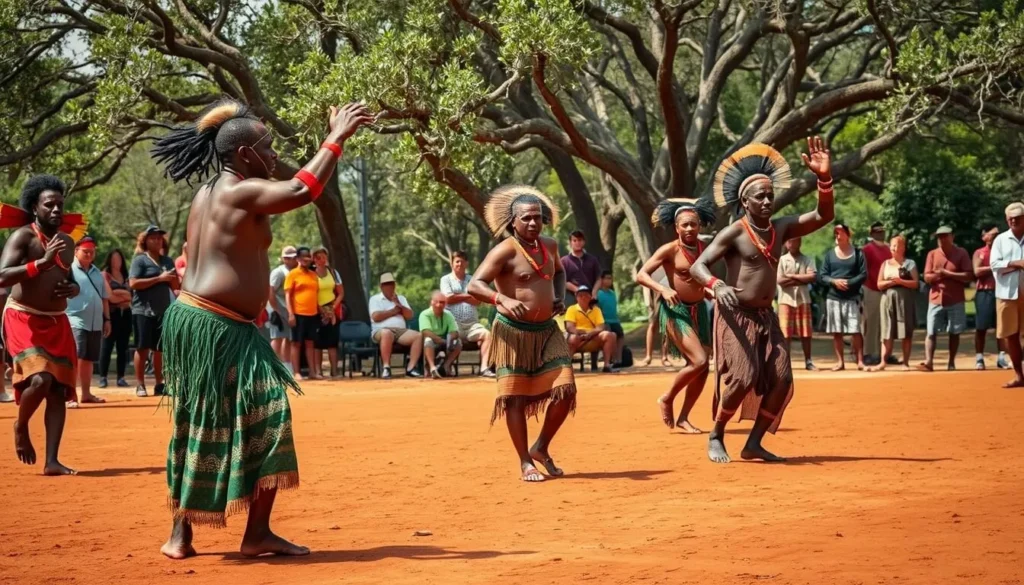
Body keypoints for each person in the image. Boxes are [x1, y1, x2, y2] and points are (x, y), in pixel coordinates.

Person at [150, 99, 372, 559]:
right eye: (268, 148)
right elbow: (300, 190)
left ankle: (187, 535)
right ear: (246, 153)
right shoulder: (237, 190)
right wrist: (337, 137)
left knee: (201, 419)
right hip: (214, 325)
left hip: (209, 321)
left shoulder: (212, 191)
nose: (274, 156)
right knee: (269, 415)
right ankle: (249, 534)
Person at [689, 137, 834, 463]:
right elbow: (698, 266)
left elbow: (822, 216)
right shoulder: (735, 232)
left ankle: (753, 443)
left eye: (771, 195)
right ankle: (717, 433)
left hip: (766, 316)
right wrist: (716, 285)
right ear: (745, 201)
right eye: (761, 196)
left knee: (781, 379)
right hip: (735, 316)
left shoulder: (781, 229)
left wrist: (823, 178)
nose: (768, 201)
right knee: (743, 376)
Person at [468, 185, 576, 482]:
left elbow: (560, 272)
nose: (532, 223)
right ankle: (525, 461)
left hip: (547, 330)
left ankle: (541, 447)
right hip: (513, 333)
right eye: (526, 218)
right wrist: (500, 299)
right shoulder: (504, 250)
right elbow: (474, 285)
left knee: (566, 389)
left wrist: (558, 296)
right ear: (513, 222)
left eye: (538, 218)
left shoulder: (551, 246)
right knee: (515, 398)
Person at [0, 174, 85, 475]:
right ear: (35, 208)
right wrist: (40, 264)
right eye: (49, 205)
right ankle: (21, 427)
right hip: (23, 317)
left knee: (58, 389)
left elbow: (71, 281)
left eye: (60, 205)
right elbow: (2, 276)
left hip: (57, 322)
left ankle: (52, 461)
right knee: (41, 379)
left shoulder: (68, 242)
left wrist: (72, 290)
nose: (56, 210)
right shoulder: (23, 237)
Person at [636, 198, 717, 433]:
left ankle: (683, 417)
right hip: (676, 311)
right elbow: (642, 274)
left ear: (700, 226)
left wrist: (712, 292)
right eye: (685, 225)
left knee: (702, 367)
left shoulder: (704, 250)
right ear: (676, 227)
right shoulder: (670, 250)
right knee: (700, 360)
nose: (689, 229)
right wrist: (663, 288)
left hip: (699, 310)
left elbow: (702, 279)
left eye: (693, 224)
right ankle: (667, 398)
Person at [129, 225, 178, 397]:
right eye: (153, 238)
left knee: (160, 349)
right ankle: (140, 385)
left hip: (162, 310)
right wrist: (159, 278)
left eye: (159, 238)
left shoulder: (168, 261)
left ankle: (159, 384)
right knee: (142, 348)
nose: (157, 240)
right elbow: (133, 283)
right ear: (145, 241)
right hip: (142, 309)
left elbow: (175, 286)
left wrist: (173, 280)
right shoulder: (140, 260)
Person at [920, 226, 974, 371]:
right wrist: (938, 275)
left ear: (952, 237)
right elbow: (926, 276)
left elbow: (969, 275)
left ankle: (951, 362)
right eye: (939, 237)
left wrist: (948, 274)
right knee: (931, 331)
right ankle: (929, 362)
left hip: (955, 298)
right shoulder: (932, 254)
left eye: (945, 236)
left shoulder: (961, 253)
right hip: (936, 297)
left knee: (954, 331)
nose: (942, 239)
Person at [65, 236, 111, 406]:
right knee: (75, 356)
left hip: (96, 321)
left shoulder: (97, 273)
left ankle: (86, 393)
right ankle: (70, 395)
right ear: (76, 251)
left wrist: (107, 319)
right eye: (86, 251)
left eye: (92, 251)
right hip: (74, 318)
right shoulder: (68, 270)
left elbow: (105, 298)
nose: (89, 254)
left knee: (89, 358)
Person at [440, 251, 495, 377]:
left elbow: (478, 301)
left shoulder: (473, 280)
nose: (459, 264)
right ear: (452, 264)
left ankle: (484, 368)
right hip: (454, 324)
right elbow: (448, 299)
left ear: (466, 263)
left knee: (486, 334)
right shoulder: (445, 279)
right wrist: (467, 296)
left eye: (462, 261)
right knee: (454, 340)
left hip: (472, 325)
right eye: (457, 261)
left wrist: (457, 296)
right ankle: (446, 365)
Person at [820, 224, 867, 371]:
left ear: (848, 235)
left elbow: (863, 274)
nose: (838, 236)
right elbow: (822, 275)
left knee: (855, 330)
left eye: (840, 233)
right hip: (833, 298)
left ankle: (860, 361)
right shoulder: (829, 255)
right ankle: (840, 362)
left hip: (852, 297)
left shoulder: (858, 254)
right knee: (837, 331)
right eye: (836, 233)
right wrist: (834, 281)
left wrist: (849, 282)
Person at [870, 235, 919, 371]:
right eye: (892, 245)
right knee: (886, 331)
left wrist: (901, 281)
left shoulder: (909, 264)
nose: (893, 248)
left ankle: (905, 363)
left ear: (903, 247)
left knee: (906, 332)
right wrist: (890, 282)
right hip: (887, 301)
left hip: (904, 301)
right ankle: (883, 362)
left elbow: (915, 283)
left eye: (897, 245)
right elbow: (879, 284)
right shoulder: (885, 264)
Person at [988, 202, 1024, 387]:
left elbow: (1001, 266)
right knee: (1011, 335)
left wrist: (1007, 265)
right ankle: (1019, 375)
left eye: (1017, 217)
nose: (1013, 221)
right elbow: (994, 265)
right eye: (1010, 218)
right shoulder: (1000, 240)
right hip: (1006, 295)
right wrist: (1017, 263)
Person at [369, 272, 423, 379]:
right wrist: (393, 311)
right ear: (381, 286)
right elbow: (375, 317)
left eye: (392, 284)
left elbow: (409, 315)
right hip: (381, 330)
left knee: (418, 336)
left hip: (400, 331)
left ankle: (410, 368)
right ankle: (386, 368)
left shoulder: (401, 298)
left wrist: (400, 305)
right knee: (387, 333)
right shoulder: (375, 299)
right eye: (387, 284)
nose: (390, 287)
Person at [776, 237, 817, 370]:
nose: (792, 243)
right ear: (786, 244)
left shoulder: (807, 259)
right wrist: (801, 279)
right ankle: (786, 361)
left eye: (795, 241)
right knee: (785, 332)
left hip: (803, 299)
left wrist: (791, 276)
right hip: (785, 300)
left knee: (806, 332)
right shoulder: (782, 260)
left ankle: (808, 360)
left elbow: (812, 277)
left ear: (800, 242)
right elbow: (780, 280)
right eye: (789, 241)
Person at [973, 224, 1009, 370]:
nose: (995, 237)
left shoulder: (1003, 251)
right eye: (992, 235)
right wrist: (995, 266)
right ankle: (979, 358)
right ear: (984, 237)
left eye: (997, 235)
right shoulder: (980, 252)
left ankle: (1001, 357)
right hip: (984, 292)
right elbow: (977, 271)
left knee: (1001, 327)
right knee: (981, 327)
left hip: (1001, 291)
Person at [284, 247, 322, 380]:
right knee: (296, 343)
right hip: (298, 313)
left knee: (310, 343)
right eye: (303, 257)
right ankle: (296, 372)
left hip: (312, 313)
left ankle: (312, 371)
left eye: (308, 257)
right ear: (298, 259)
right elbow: (288, 295)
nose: (306, 260)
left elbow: (316, 295)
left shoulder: (313, 275)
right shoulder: (293, 274)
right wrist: (291, 314)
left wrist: (321, 310)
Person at [564, 285, 618, 373]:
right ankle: (566, 367)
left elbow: (601, 326)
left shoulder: (596, 310)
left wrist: (590, 333)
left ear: (590, 297)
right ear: (576, 297)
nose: (583, 297)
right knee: (572, 338)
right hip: (578, 338)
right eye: (580, 295)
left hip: (594, 337)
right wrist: (581, 333)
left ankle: (607, 365)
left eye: (586, 295)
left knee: (609, 335)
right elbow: (570, 327)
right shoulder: (572, 309)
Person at [98, 249, 132, 389]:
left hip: (126, 314)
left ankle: (121, 377)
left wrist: (120, 294)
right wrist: (123, 295)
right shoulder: (104, 275)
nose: (116, 261)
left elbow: (131, 296)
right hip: (111, 315)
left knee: (122, 348)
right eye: (113, 258)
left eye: (119, 258)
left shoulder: (126, 275)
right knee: (106, 346)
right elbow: (109, 296)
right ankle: (103, 377)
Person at [861, 222, 892, 365]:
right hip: (871, 289)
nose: (881, 233)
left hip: (886, 290)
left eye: (882, 231)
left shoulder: (889, 248)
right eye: (877, 231)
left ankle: (884, 353)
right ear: (872, 233)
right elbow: (864, 270)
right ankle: (868, 352)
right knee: (871, 323)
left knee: (886, 323)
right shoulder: (867, 249)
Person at [312, 246, 343, 378]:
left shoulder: (333, 272)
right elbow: (310, 293)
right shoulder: (311, 274)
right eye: (319, 257)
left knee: (332, 342)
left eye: (324, 257)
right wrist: (321, 310)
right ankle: (318, 371)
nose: (322, 260)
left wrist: (332, 308)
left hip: (332, 308)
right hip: (316, 310)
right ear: (314, 259)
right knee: (317, 343)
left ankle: (334, 371)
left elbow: (341, 293)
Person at [419, 291, 462, 378]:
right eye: (436, 302)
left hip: (445, 340)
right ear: (432, 302)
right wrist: (442, 341)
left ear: (445, 303)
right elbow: (426, 332)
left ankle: (446, 366)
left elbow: (454, 331)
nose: (439, 305)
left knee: (458, 342)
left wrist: (450, 338)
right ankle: (432, 368)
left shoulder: (448, 314)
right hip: (433, 341)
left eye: (442, 302)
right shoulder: (424, 314)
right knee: (428, 340)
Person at [268, 246, 298, 362]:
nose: (293, 260)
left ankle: (286, 366)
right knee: (277, 337)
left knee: (288, 338)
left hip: (289, 309)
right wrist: (276, 310)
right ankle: (273, 366)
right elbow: (270, 291)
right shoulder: (279, 272)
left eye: (294, 257)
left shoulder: (295, 272)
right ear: (284, 259)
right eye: (289, 258)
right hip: (279, 308)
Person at [561, 229, 602, 307]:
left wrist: (594, 292)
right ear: (570, 242)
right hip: (571, 298)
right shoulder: (564, 261)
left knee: (594, 317)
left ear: (584, 242)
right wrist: (578, 290)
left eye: (580, 240)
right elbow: (563, 281)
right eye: (574, 240)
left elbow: (598, 279)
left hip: (590, 298)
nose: (577, 243)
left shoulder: (592, 260)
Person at [595, 271, 625, 366]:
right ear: (602, 280)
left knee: (620, 337)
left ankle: (618, 359)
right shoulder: (598, 294)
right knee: (611, 339)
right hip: (605, 321)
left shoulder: (612, 293)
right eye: (607, 278)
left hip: (615, 320)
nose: (609, 281)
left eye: (610, 278)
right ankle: (610, 359)